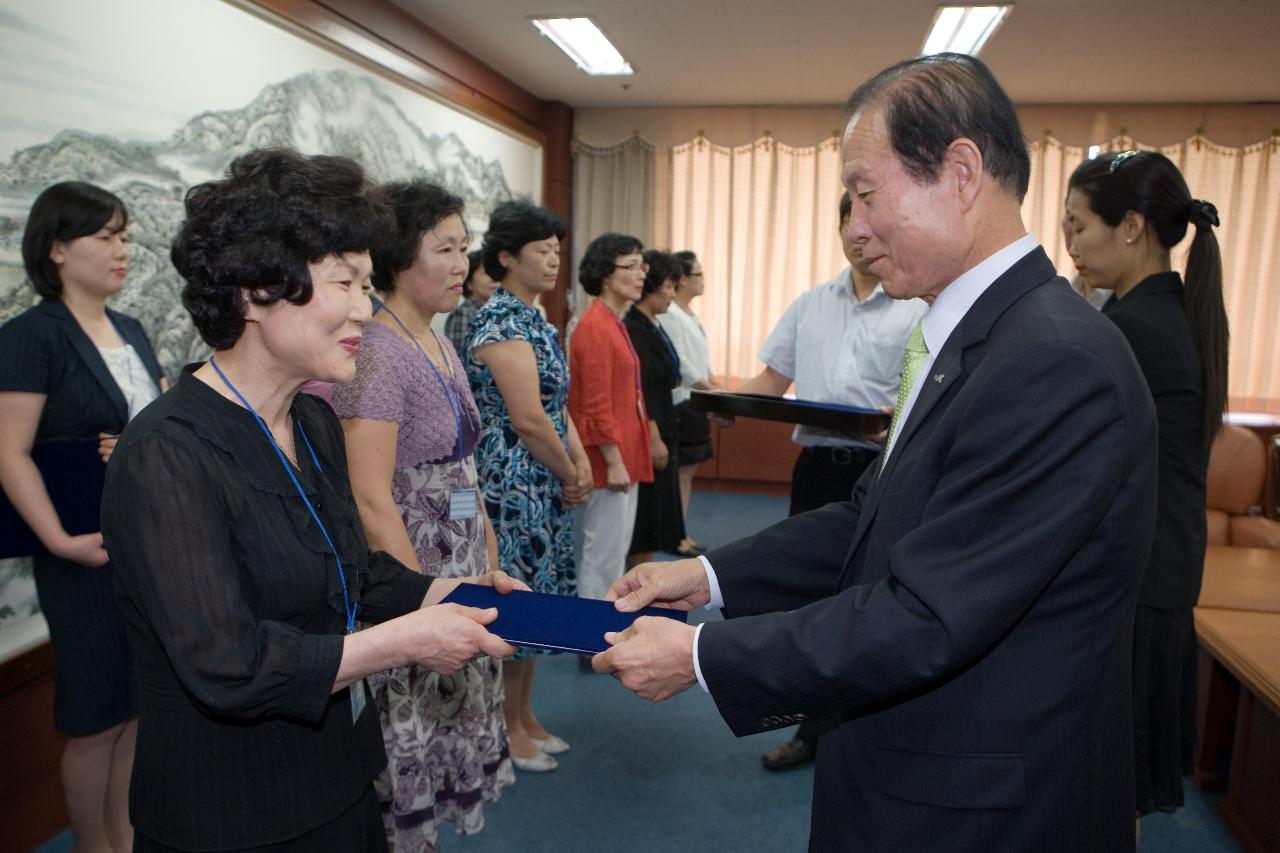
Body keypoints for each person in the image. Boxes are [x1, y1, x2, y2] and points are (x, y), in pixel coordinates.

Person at [595, 53, 1158, 853]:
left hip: (987, 804)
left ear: (961, 171)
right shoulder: (973, 330)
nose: (853, 228)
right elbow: (877, 517)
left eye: (865, 194)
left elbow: (929, 613)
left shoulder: (1054, 359)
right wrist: (708, 578)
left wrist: (702, 653)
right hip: (923, 768)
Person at [99, 148, 519, 852]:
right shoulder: (167, 455)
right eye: (346, 283)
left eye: (366, 282)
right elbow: (229, 665)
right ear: (255, 293)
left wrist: (452, 589)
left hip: (338, 778)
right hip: (230, 813)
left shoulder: (314, 421)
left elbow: (356, 573)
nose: (365, 307)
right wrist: (409, 640)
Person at [330, 179, 512, 851]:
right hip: (415, 571)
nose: (464, 263)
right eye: (446, 248)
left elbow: (464, 471)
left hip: (458, 556)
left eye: (465, 247)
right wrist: (418, 615)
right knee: (406, 737)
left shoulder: (436, 338)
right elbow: (373, 497)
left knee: (450, 726)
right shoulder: (378, 352)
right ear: (399, 257)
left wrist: (488, 551)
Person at [0, 181, 166, 853]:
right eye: (105, 236)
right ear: (58, 248)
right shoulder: (31, 335)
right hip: (81, 552)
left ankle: (123, 839)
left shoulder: (130, 329)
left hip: (143, 545)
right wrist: (59, 540)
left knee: (136, 710)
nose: (121, 249)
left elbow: (151, 425)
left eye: (125, 235)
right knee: (95, 717)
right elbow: (10, 454)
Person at [735, 192, 926, 771]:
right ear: (842, 226)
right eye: (853, 220)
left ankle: (864, 727)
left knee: (873, 599)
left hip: (885, 470)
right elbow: (772, 378)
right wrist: (724, 405)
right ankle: (811, 729)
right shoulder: (811, 303)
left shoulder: (916, 304)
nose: (862, 233)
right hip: (817, 468)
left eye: (875, 219)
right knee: (813, 601)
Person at [1065, 150, 1229, 822]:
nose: (1069, 243)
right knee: (1117, 789)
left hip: (1132, 581)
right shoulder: (1166, 313)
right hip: (1164, 570)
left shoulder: (1130, 329)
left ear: (1130, 227)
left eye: (1078, 225)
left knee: (1108, 787)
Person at [466, 200, 592, 772]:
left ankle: (524, 715)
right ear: (506, 257)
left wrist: (580, 459)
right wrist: (569, 471)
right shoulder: (497, 321)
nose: (552, 260)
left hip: (544, 473)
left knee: (541, 596)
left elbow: (557, 406)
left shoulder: (538, 318)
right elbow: (528, 419)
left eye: (556, 251)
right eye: (541, 250)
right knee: (514, 603)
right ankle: (502, 728)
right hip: (509, 478)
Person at [568, 233, 654, 602]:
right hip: (611, 457)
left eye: (642, 266)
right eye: (630, 266)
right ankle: (592, 633)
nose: (640, 274)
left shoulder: (613, 320)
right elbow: (595, 402)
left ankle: (603, 624)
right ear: (606, 273)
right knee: (603, 549)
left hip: (626, 452)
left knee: (615, 546)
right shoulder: (595, 325)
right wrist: (613, 460)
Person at [624, 249, 686, 566]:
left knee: (653, 520)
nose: (673, 295)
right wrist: (653, 435)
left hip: (664, 422)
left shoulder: (652, 324)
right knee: (643, 523)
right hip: (651, 430)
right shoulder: (634, 326)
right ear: (652, 286)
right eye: (669, 287)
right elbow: (641, 390)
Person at [657, 250, 717, 556]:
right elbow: (681, 362)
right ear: (682, 279)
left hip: (695, 399)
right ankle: (676, 536)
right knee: (681, 473)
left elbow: (700, 360)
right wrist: (711, 390)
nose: (703, 280)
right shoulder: (671, 313)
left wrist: (713, 385)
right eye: (699, 274)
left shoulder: (688, 313)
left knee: (687, 472)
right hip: (683, 400)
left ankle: (680, 532)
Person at [444, 249, 498, 354]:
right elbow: (459, 362)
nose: (494, 278)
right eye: (487, 273)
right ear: (469, 283)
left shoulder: (498, 312)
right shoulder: (463, 314)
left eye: (496, 272)